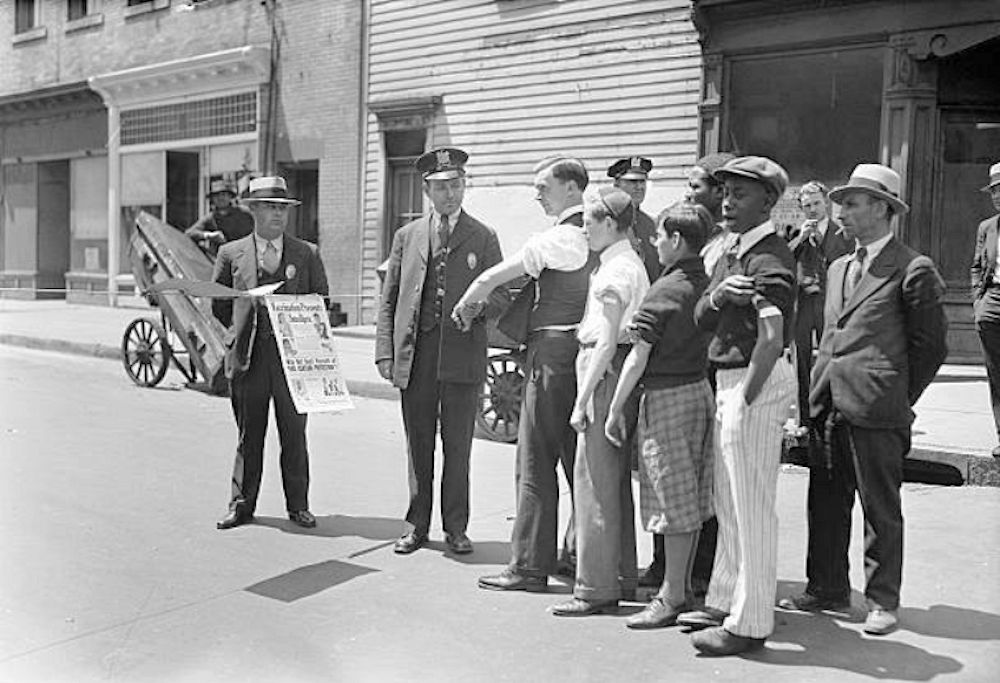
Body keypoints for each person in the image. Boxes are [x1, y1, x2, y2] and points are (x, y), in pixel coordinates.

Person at [780, 164, 948, 636]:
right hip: (827, 402)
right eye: (842, 204)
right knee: (826, 501)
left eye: (852, 203)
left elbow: (930, 347)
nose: (842, 212)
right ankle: (827, 587)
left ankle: (882, 600)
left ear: (882, 208)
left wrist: (895, 393)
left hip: (877, 407)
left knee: (879, 507)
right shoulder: (837, 267)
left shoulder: (913, 268)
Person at [456, 156, 595, 591]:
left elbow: (495, 276)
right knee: (578, 463)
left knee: (534, 460)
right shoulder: (598, 235)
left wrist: (468, 300)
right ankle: (581, 556)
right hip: (580, 354)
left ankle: (529, 566)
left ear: (572, 188)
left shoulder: (562, 237)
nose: (536, 194)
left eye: (544, 186)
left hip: (551, 354)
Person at [679, 156, 797, 656]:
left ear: (768, 201)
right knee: (728, 500)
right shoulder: (733, 253)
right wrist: (720, 294)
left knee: (751, 508)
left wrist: (744, 401)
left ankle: (749, 623)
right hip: (730, 376)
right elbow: (701, 315)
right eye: (725, 191)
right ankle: (725, 596)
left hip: (756, 380)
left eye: (741, 194)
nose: (727, 201)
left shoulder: (769, 258)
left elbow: (771, 340)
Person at [375, 147, 504, 556]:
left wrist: (481, 306)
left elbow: (503, 295)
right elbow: (389, 299)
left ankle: (456, 527)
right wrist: (384, 353)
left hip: (462, 355)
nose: (450, 194)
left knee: (458, 445)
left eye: (456, 185)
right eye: (442, 187)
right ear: (427, 190)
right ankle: (417, 525)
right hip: (417, 355)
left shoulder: (484, 237)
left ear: (464, 186)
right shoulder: (407, 236)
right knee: (418, 444)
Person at [605, 202, 714, 629]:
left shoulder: (665, 290)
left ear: (676, 240)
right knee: (689, 496)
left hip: (667, 397)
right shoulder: (704, 280)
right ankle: (680, 587)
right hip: (698, 390)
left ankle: (670, 596)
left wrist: (615, 408)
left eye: (660, 237)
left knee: (671, 499)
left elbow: (638, 357)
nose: (655, 242)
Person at [637, 151, 735, 596]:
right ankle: (665, 565)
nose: (689, 192)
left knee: (693, 477)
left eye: (697, 186)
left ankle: (696, 571)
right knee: (670, 476)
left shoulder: (721, 244)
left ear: (718, 191)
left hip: (699, 369)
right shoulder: (691, 237)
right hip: (688, 367)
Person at [549, 187, 650, 617]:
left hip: (601, 370)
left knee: (593, 483)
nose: (584, 229)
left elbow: (607, 342)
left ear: (610, 224)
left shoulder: (613, 272)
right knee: (610, 484)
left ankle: (593, 587)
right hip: (616, 370)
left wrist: (582, 401)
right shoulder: (629, 263)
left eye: (589, 222)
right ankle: (619, 576)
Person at [212, 176, 329, 530]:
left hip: (293, 364)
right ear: (254, 211)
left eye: (283, 208)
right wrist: (238, 334)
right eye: (270, 208)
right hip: (248, 360)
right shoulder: (231, 253)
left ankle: (299, 506)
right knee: (249, 436)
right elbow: (219, 305)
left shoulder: (306, 253)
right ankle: (241, 505)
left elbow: (323, 301)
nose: (278, 215)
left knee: (294, 434)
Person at [787, 182, 853, 427]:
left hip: (830, 302)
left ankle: (829, 415)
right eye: (807, 206)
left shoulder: (841, 232)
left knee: (832, 357)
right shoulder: (794, 233)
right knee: (801, 361)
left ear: (826, 202)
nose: (812, 209)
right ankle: (803, 418)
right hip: (803, 302)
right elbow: (783, 261)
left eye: (816, 203)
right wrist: (801, 239)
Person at [971, 162, 1000, 458]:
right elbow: (977, 266)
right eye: (994, 191)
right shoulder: (987, 227)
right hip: (992, 301)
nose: (997, 196)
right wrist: (978, 302)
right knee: (996, 372)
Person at [608, 156, 661, 283]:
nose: (639, 187)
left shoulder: (650, 223)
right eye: (632, 182)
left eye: (642, 182)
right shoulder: (607, 223)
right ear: (617, 185)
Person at [186, 180, 254, 258]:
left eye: (224, 195)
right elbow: (189, 233)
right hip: (222, 262)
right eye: (217, 195)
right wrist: (209, 235)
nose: (220, 198)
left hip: (246, 259)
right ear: (212, 199)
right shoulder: (210, 218)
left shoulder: (245, 213)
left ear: (230, 197)